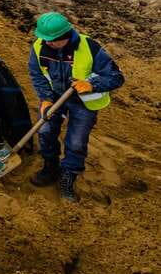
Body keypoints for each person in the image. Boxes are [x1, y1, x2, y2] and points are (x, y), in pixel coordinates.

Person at [27, 12, 123, 202]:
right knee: (45, 131)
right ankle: (50, 167)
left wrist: (92, 85)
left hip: (83, 103)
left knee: (76, 142)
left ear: (64, 37)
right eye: (44, 39)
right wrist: (45, 99)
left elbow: (116, 77)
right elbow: (36, 74)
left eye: (51, 40)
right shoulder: (39, 46)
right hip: (55, 97)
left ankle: (68, 178)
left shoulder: (90, 48)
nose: (46, 43)